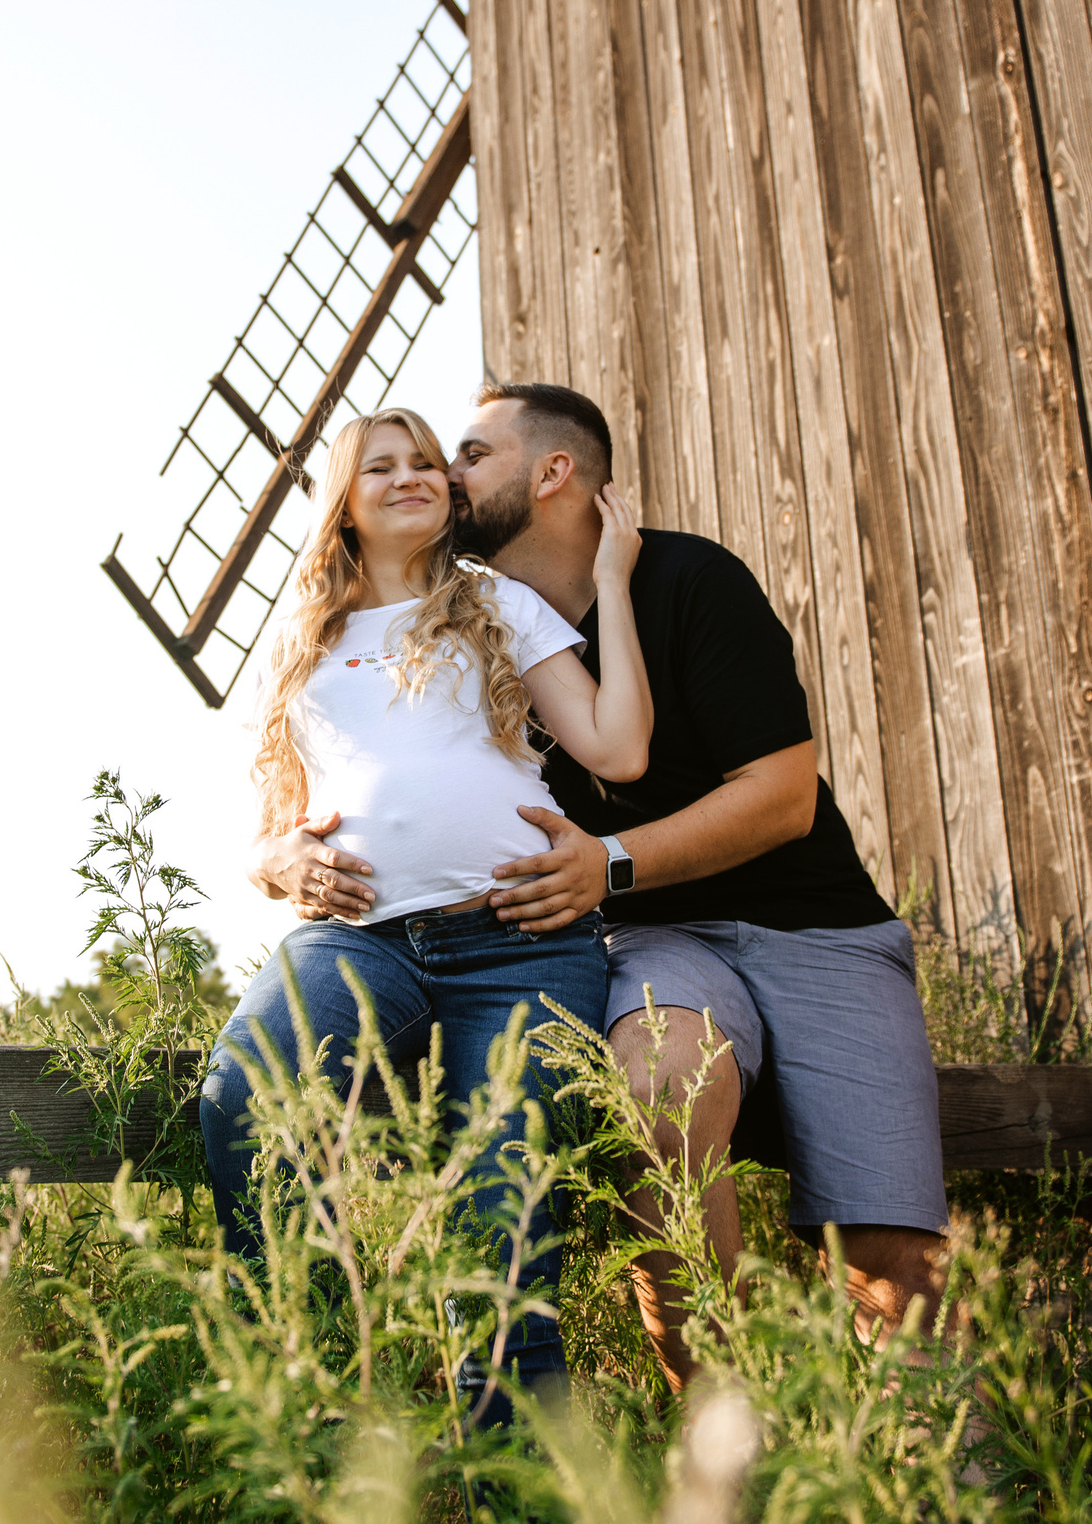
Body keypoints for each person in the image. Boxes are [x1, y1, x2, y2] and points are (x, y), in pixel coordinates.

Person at [277, 383, 950, 1391]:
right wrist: (289, 857)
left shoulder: (689, 579)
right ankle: (720, 1437)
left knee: (885, 1253)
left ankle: (940, 1469)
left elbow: (780, 798)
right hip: (643, 939)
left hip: (819, 928)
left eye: (467, 454)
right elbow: (351, 771)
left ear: (551, 474)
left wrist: (611, 859)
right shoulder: (457, 623)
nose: (441, 475)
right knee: (658, 1089)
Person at [204, 404, 651, 1421]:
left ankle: (508, 1477)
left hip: (520, 944)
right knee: (244, 1094)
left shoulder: (496, 602)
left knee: (501, 1225)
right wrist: (280, 862)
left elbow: (617, 748)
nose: (414, 477)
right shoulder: (300, 635)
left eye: (426, 463)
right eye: (383, 467)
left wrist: (614, 585)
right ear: (345, 507)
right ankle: (307, 1406)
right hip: (358, 939)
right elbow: (259, 831)